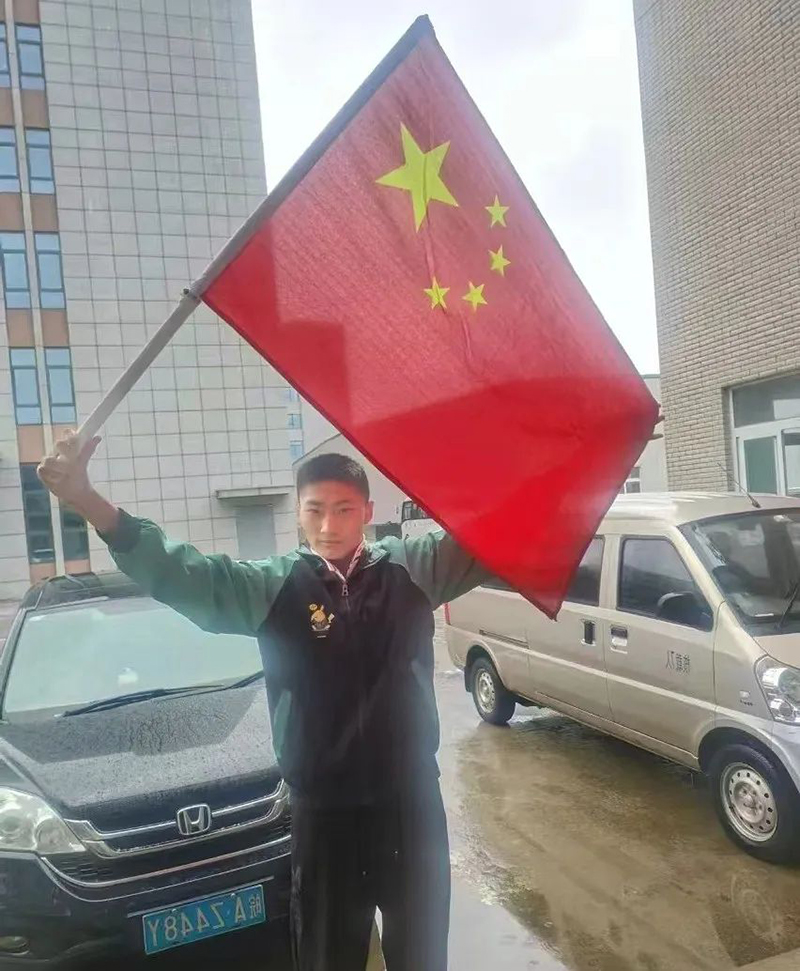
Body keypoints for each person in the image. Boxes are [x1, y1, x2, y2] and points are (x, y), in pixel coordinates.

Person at [38, 431, 490, 971]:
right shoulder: (273, 586)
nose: (329, 525)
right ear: (298, 514)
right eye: (315, 510)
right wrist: (88, 501)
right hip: (324, 815)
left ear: (368, 512)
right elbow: (188, 575)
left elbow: (493, 536)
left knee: (422, 954)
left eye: (344, 509)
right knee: (327, 955)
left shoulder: (413, 569)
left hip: (411, 805)